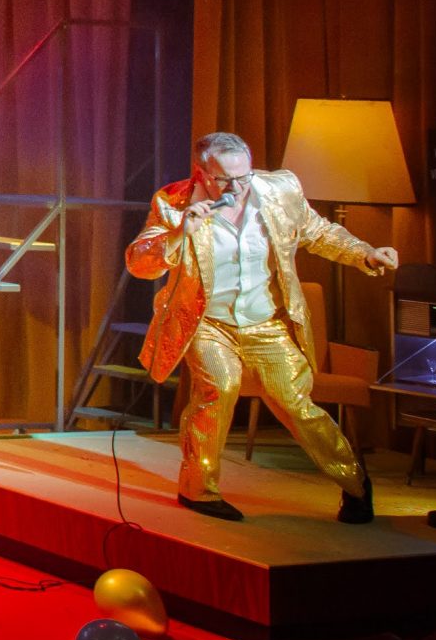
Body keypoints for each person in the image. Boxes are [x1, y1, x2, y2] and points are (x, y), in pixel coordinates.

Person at [128, 131, 394, 523]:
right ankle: (197, 489)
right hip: (207, 322)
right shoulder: (173, 202)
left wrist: (365, 254)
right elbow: (139, 263)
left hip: (266, 322)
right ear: (201, 173)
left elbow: (318, 232)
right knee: (219, 387)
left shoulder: (279, 191)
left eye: (244, 177)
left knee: (295, 404)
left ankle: (355, 482)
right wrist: (180, 232)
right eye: (224, 179)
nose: (236, 187)